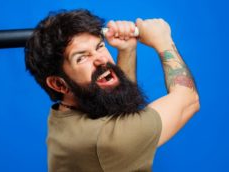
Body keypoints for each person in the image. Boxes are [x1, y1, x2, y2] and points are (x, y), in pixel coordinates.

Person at [25, 9, 200, 172]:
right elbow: (188, 99)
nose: (101, 59)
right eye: (82, 57)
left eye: (99, 46)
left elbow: (119, 107)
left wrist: (127, 49)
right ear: (59, 84)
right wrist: (163, 41)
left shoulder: (65, 113)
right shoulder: (108, 142)